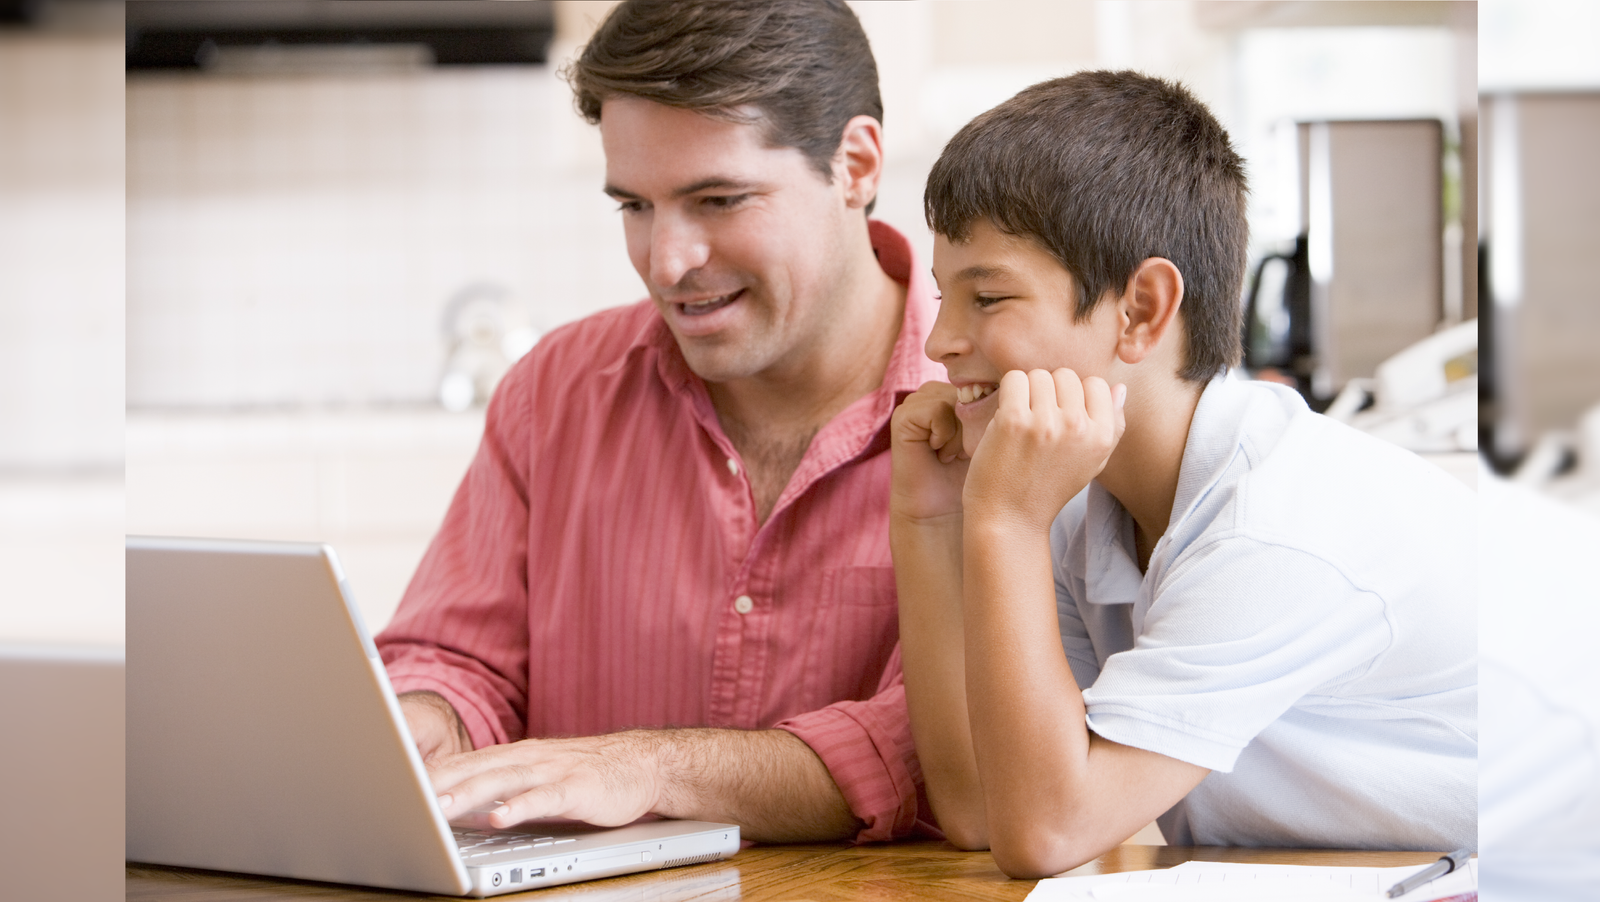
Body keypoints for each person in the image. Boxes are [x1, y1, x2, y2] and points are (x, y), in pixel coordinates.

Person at [374, 0, 943, 844]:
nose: (667, 261)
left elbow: (931, 750)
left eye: (718, 199)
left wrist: (642, 768)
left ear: (855, 165)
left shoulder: (989, 413)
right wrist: (432, 719)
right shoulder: (556, 392)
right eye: (634, 207)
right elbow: (458, 661)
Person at [889, 70, 1476, 877]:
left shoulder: (1275, 526)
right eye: (943, 297)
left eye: (987, 298)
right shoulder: (1082, 513)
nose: (940, 342)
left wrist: (1004, 521)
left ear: (1140, 311)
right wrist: (929, 520)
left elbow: (1045, 834)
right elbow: (982, 811)